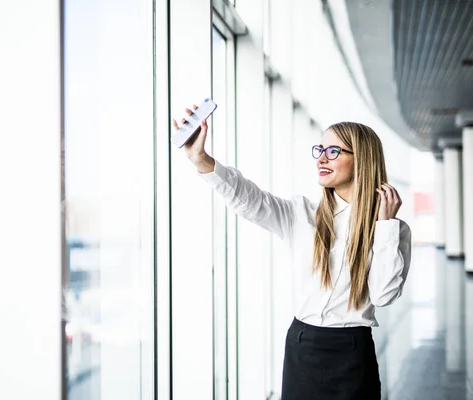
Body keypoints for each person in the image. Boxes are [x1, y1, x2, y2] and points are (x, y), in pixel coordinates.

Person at [173, 106, 412, 400]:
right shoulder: (301, 214)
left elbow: (383, 296)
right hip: (303, 346)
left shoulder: (392, 230)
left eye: (334, 151)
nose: (322, 158)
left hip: (353, 351)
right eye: (320, 149)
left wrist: (384, 226)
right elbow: (249, 199)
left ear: (361, 159)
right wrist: (201, 159)